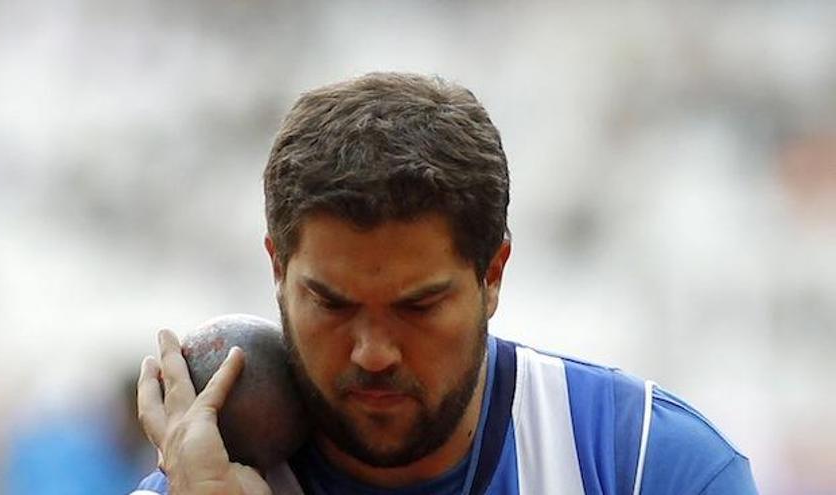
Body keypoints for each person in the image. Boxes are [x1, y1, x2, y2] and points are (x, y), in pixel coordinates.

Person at [132, 72, 758, 494]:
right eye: (332, 303)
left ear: (492, 275)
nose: (373, 351)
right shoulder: (199, 483)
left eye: (418, 305)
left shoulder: (650, 466)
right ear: (276, 271)